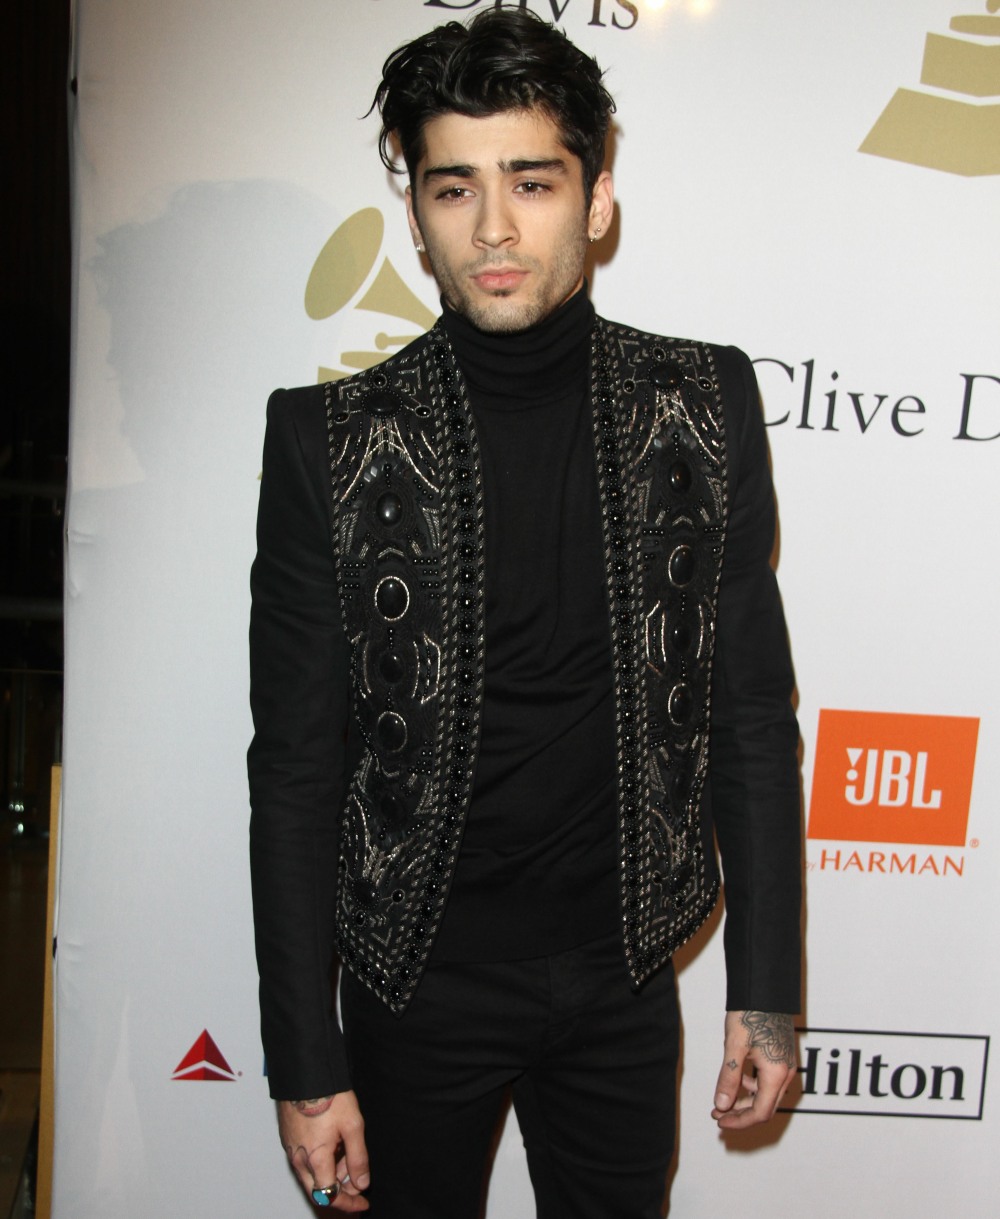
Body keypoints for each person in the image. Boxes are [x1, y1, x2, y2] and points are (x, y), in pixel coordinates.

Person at [248, 9, 801, 1217]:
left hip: (622, 973)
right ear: (415, 216)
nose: (492, 229)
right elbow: (294, 769)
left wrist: (765, 995)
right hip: (413, 981)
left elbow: (751, 715)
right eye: (453, 188)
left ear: (596, 200)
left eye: (532, 182)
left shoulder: (703, 402)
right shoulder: (325, 440)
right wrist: (305, 1062)